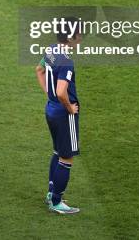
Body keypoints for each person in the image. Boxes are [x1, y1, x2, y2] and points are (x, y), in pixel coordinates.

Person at [35, 19, 82, 214]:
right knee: (67, 156)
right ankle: (56, 201)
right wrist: (70, 108)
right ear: (70, 38)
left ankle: (51, 193)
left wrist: (49, 94)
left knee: (57, 151)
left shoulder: (51, 50)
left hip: (50, 109)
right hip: (63, 114)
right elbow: (62, 91)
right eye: (79, 35)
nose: (81, 38)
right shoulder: (67, 62)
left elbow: (39, 70)